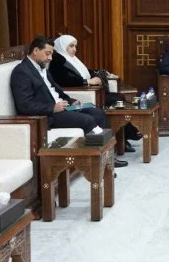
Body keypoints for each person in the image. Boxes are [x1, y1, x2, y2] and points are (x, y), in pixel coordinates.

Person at [10, 36, 128, 168]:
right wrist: (52, 108)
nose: (50, 58)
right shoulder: (22, 72)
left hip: (63, 107)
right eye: (47, 54)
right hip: (48, 115)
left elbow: (57, 91)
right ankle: (97, 165)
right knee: (87, 120)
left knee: (97, 112)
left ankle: (108, 157)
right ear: (36, 50)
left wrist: (71, 101)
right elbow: (24, 105)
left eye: (51, 54)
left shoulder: (42, 68)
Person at [49, 34, 143, 153]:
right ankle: (124, 137)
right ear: (62, 46)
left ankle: (122, 138)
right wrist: (87, 81)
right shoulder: (57, 62)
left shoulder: (72, 59)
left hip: (85, 94)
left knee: (116, 99)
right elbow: (64, 80)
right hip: (80, 94)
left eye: (75, 46)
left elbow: (84, 71)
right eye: (71, 46)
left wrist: (100, 73)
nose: (74, 49)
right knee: (115, 99)